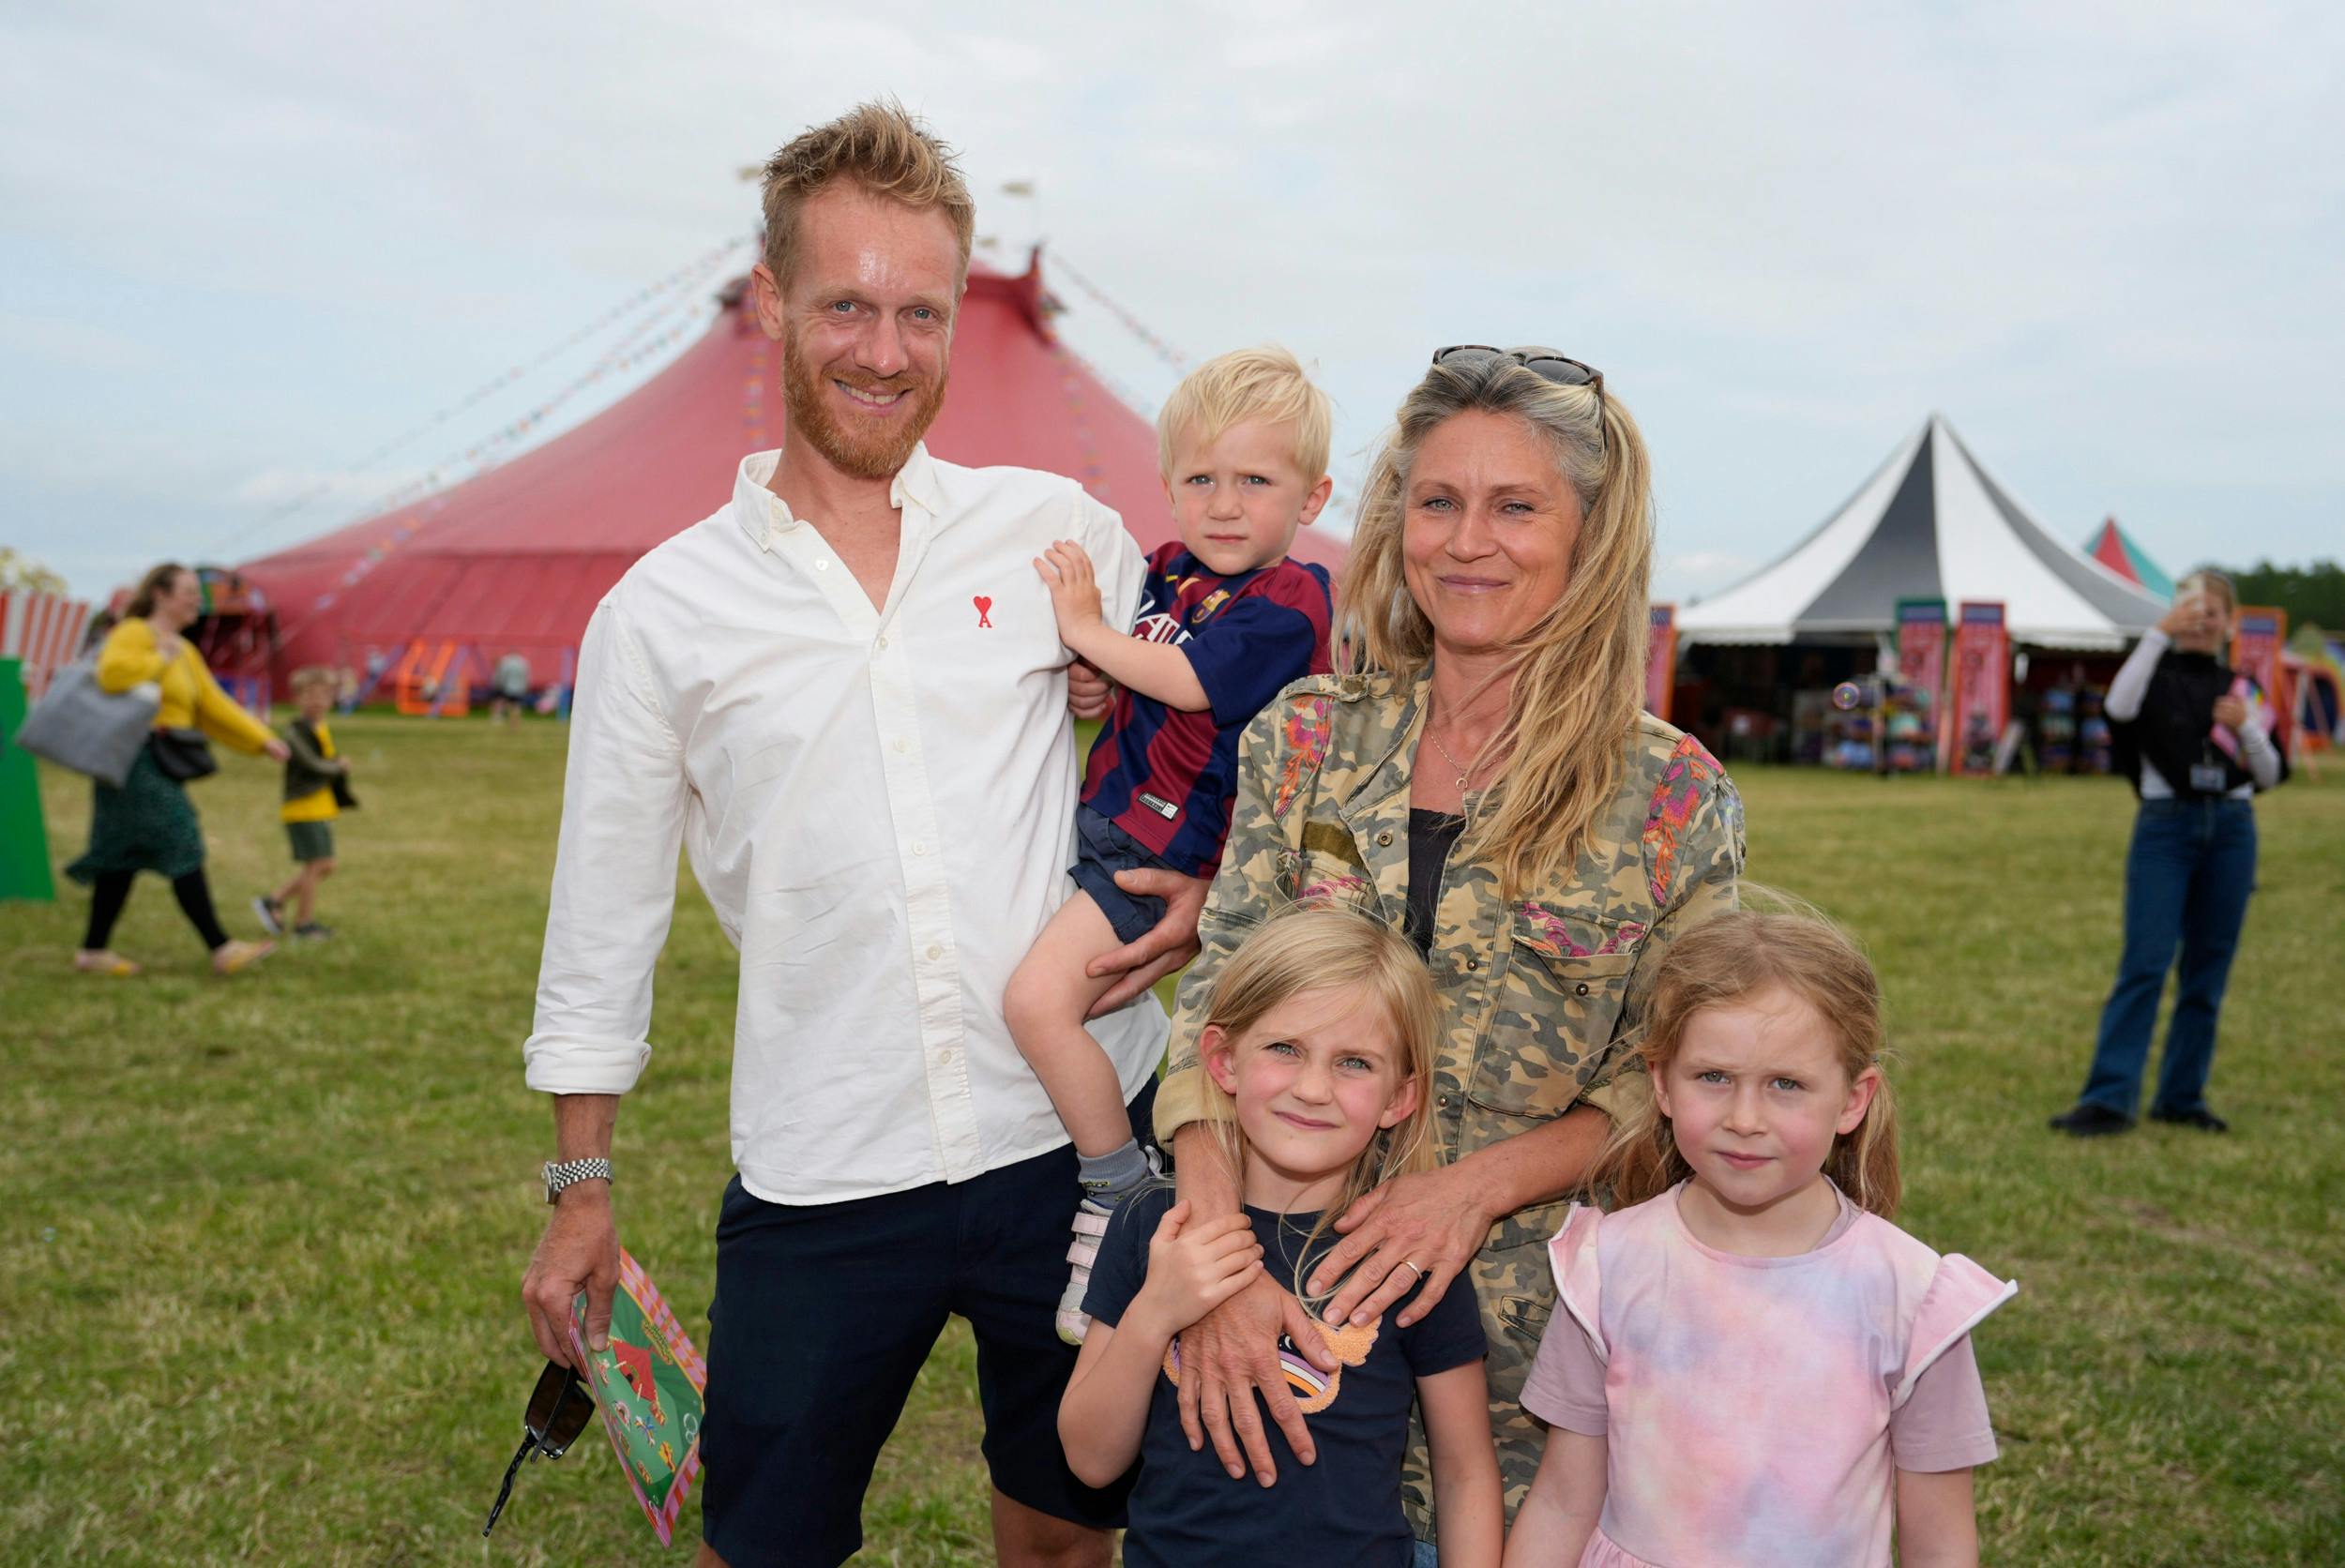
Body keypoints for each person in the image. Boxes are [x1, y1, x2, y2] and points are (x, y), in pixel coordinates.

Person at [516, 102, 1204, 1568]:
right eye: (845, 305)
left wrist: (1189, 872)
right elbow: (602, 918)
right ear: (771, 301)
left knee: (1071, 1540)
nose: (883, 352)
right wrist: (583, 1188)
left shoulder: (1058, 532)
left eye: (918, 312)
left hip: (1075, 1145)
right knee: (759, 1547)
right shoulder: (660, 611)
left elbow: (1196, 729)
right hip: (826, 1162)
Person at [1142, 347, 1746, 1539]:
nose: (1467, 541)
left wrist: (1468, 1193)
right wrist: (1216, 1256)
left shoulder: (1669, 794)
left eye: (1515, 506)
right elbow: (1212, 1004)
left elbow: (1680, 1080)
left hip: (1532, 1407)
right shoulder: (1306, 737)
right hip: (1279, 1393)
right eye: (1437, 501)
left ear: (1590, 533)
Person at [1505, 910, 2015, 1568]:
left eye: (1786, 1085)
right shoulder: (1603, 1268)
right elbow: (1561, 1502)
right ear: (1661, 1083)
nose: (1745, 1120)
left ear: (1853, 1099)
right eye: (1713, 1077)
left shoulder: (1915, 1299)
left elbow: (1940, 1540)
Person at [1008, 345, 1336, 1344]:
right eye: (1201, 480)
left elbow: (1193, 685)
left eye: (1255, 481)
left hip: (1172, 854)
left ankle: (1113, 1186)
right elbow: (1146, 678)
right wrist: (1095, 682)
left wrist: (1080, 623)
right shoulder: (1168, 573)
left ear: (1312, 493)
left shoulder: (1295, 600)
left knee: (1032, 1002)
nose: (1224, 505)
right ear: (1168, 485)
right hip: (1114, 822)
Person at [1062, 905, 1502, 1567]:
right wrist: (1158, 1310)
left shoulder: (1404, 1253)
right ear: (1223, 1060)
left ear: (1398, 1099)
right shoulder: (1154, 1227)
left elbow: (1465, 1471)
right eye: (1284, 1049)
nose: (1314, 1088)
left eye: (1354, 1062)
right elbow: (1091, 1460)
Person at [2050, 569, 2286, 1138]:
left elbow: (2273, 773)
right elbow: (2119, 707)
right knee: (2146, 962)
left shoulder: (2241, 687)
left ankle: (2182, 1095)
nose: (2201, 620)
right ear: (2173, 614)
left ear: (2230, 623)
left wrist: (2248, 730)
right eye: (2191, 608)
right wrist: (2157, 634)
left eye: (2213, 611)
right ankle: (2110, 1097)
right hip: (2165, 826)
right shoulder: (2151, 677)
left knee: (2208, 967)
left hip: (2231, 825)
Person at [68, 562, 286, 977]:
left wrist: (262, 740)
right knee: (180, 838)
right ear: (160, 596)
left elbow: (211, 706)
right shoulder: (135, 634)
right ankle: (221, 948)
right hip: (133, 757)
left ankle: (93, 952)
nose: (196, 601)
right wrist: (156, 659)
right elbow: (111, 676)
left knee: (120, 856)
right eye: (187, 591)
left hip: (160, 757)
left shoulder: (184, 649)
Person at [255, 667, 356, 941]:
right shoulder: (295, 731)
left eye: (323, 695)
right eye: (309, 695)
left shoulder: (320, 727)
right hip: (302, 808)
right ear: (297, 698)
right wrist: (338, 765)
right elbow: (312, 764)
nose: (317, 701)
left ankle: (274, 901)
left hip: (320, 806)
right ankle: (304, 924)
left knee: (327, 865)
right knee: (315, 865)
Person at [490, 649, 532, 729]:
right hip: (520, 688)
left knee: (504, 702)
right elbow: (527, 676)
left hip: (507, 687)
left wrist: (499, 684)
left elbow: (502, 674)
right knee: (516, 705)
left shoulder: (506, 662)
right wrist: (526, 686)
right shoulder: (523, 662)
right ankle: (515, 722)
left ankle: (501, 718)